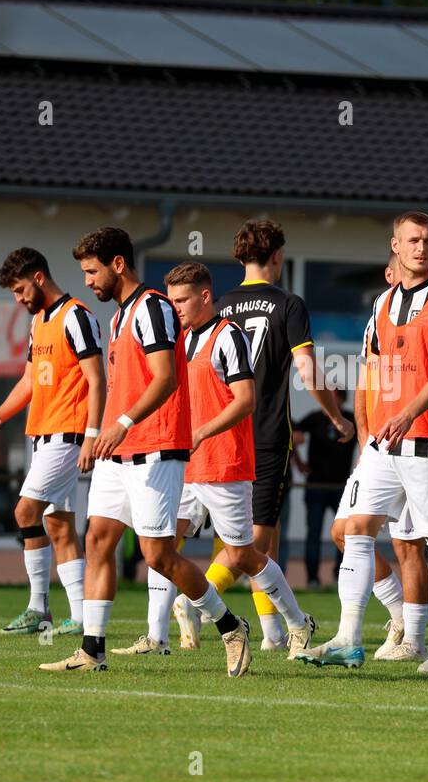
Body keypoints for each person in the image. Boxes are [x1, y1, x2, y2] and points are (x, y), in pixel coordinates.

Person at [40, 227, 251, 676]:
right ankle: (92, 649)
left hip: (156, 449)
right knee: (98, 538)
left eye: (92, 271)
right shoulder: (118, 318)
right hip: (120, 451)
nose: (88, 282)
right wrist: (102, 431)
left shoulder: (153, 307)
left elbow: (165, 379)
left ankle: (231, 627)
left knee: (158, 555)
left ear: (119, 264)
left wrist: (121, 424)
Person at [297, 210, 428, 673]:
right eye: (413, 240)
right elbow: (370, 369)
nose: (422, 247)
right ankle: (349, 639)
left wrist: (409, 413)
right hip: (382, 446)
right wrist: (367, 429)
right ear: (396, 246)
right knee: (353, 530)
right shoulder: (381, 304)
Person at [126, 262, 315, 658]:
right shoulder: (176, 339)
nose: (175, 307)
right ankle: (156, 636)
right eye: (172, 300)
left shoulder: (229, 336)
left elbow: (246, 401)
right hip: (184, 466)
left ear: (206, 296)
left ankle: (298, 623)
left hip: (225, 464)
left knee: (244, 556)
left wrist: (200, 432)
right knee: (162, 546)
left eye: (182, 300)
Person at [214, 219, 354, 648]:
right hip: (268, 433)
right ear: (278, 256)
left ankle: (273, 633)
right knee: (255, 539)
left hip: (226, 432)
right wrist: (336, 417)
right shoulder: (288, 304)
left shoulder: (220, 306)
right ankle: (201, 596)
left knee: (266, 539)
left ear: (239, 258)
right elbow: (308, 371)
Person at [0, 247, 105, 636]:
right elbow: (29, 381)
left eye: (19, 290)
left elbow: (97, 380)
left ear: (39, 279)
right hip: (41, 435)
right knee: (60, 526)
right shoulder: (39, 322)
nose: (18, 299)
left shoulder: (76, 316)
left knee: (24, 513)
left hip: (68, 435)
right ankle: (79, 618)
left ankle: (38, 608)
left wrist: (91, 437)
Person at [328, 252, 427, 662]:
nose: (394, 276)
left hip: (419, 445)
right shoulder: (379, 315)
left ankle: (421, 638)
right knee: (344, 532)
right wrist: (365, 436)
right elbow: (368, 379)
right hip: (377, 447)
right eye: (391, 270)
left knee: (409, 545)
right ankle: (396, 615)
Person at [294, 387, 356, 590]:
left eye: (333, 397)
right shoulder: (314, 418)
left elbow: (368, 440)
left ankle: (341, 576)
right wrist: (299, 463)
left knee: (344, 535)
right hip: (316, 486)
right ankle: (312, 579)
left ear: (341, 400)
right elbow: (292, 435)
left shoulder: (350, 418)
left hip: (342, 488)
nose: (329, 401)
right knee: (313, 534)